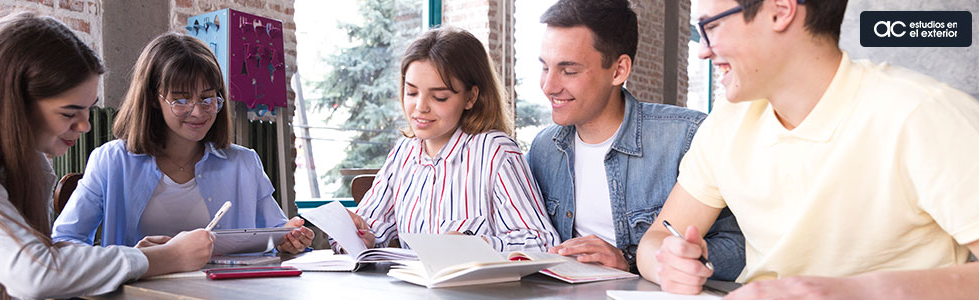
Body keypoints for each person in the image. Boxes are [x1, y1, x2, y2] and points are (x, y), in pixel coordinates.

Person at [638, 0, 979, 298]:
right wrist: (668, 262)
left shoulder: (922, 113)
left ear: (780, 10)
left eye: (711, 25)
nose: (702, 49)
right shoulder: (725, 124)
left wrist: (860, 292)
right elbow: (656, 239)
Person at [0, 13, 214, 299]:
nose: (85, 125)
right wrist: (163, 258)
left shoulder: (19, 163)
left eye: (88, 110)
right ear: (14, 105)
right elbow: (33, 275)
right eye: (69, 112)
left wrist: (131, 257)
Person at [527, 0, 744, 279]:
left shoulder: (687, 137)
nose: (549, 86)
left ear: (619, 71)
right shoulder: (544, 149)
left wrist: (630, 259)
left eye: (569, 71)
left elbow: (738, 249)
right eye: (545, 67)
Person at [51, 32, 314, 254]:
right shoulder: (111, 161)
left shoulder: (244, 163)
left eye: (208, 98)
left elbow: (278, 234)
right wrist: (131, 258)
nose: (198, 112)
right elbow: (65, 242)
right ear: (154, 98)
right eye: (181, 99)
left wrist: (290, 242)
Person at [340, 27, 559, 252]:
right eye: (412, 93)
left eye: (439, 97)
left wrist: (477, 245)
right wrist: (359, 236)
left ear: (471, 97)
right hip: (413, 286)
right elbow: (369, 227)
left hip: (477, 287)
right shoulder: (403, 153)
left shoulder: (495, 152)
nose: (420, 107)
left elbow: (542, 241)